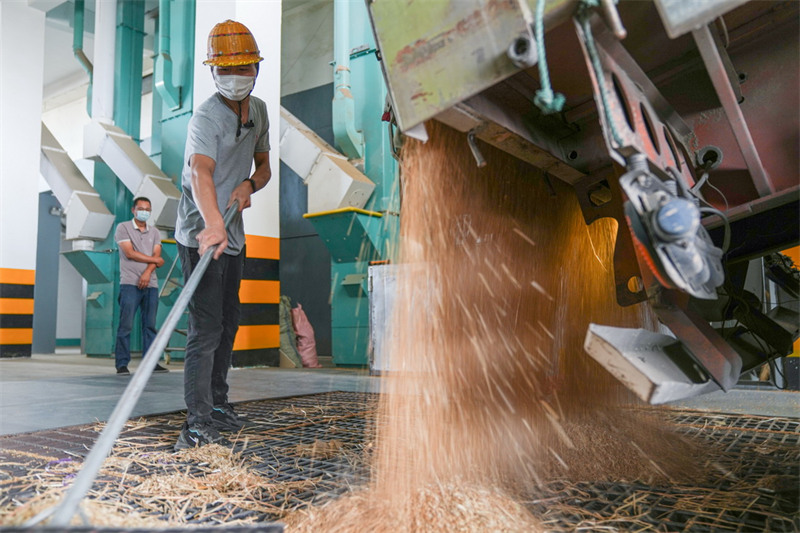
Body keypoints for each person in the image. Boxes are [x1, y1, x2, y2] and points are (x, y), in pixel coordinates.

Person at [173, 20, 272, 451]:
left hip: (233, 232)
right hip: (202, 233)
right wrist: (212, 222)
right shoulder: (204, 118)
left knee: (229, 320)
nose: (234, 78)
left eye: (243, 69)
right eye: (224, 71)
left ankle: (217, 403)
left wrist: (250, 186)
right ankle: (196, 423)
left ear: (255, 70)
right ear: (212, 73)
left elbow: (264, 167)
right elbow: (201, 172)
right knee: (206, 327)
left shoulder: (260, 112)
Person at [114, 196, 169, 375]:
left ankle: (151, 363)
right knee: (126, 325)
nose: (144, 212)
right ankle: (122, 364)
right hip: (129, 283)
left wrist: (147, 272)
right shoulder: (123, 228)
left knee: (150, 325)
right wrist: (155, 261)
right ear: (133, 210)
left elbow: (157, 254)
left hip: (151, 284)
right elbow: (130, 253)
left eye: (147, 209)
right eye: (141, 208)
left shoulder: (154, 232)